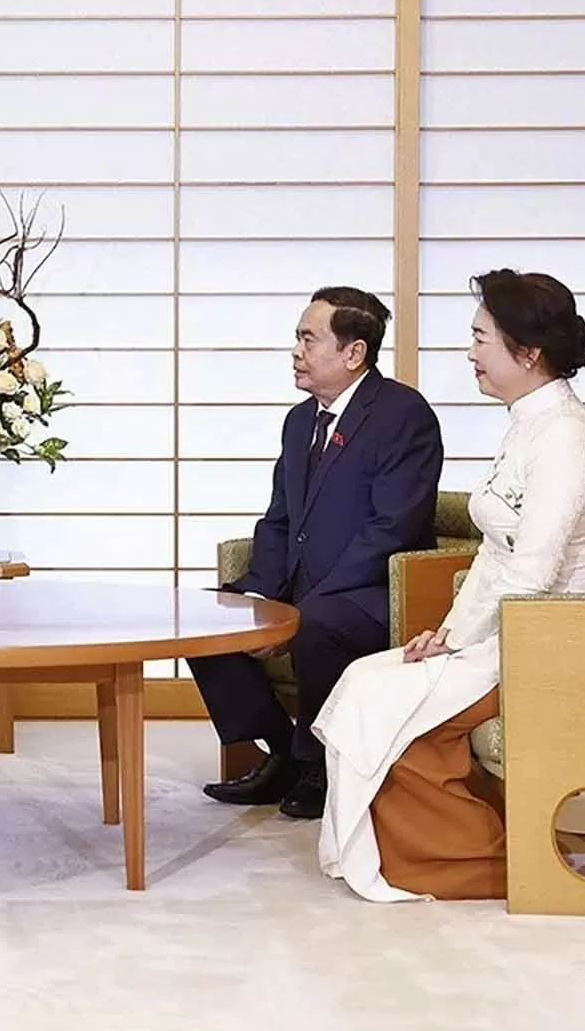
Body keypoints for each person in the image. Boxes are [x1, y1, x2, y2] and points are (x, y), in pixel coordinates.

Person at [314, 269, 585, 903]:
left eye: (482, 338)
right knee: (367, 680)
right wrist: (449, 633)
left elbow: (532, 572)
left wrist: (461, 644)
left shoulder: (565, 436)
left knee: (390, 704)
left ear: (527, 353)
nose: (471, 352)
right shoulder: (528, 423)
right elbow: (492, 558)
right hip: (505, 632)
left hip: (550, 643)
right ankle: (427, 849)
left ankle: (476, 860)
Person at [188, 287, 443, 820]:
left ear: (354, 354)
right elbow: (281, 518)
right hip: (306, 588)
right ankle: (281, 750)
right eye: (297, 339)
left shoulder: (403, 415)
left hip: (372, 591)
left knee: (315, 624)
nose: (296, 352)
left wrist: (299, 607)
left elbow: (391, 529)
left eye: (309, 339)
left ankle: (319, 767)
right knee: (206, 617)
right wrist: (259, 591)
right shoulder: (301, 420)